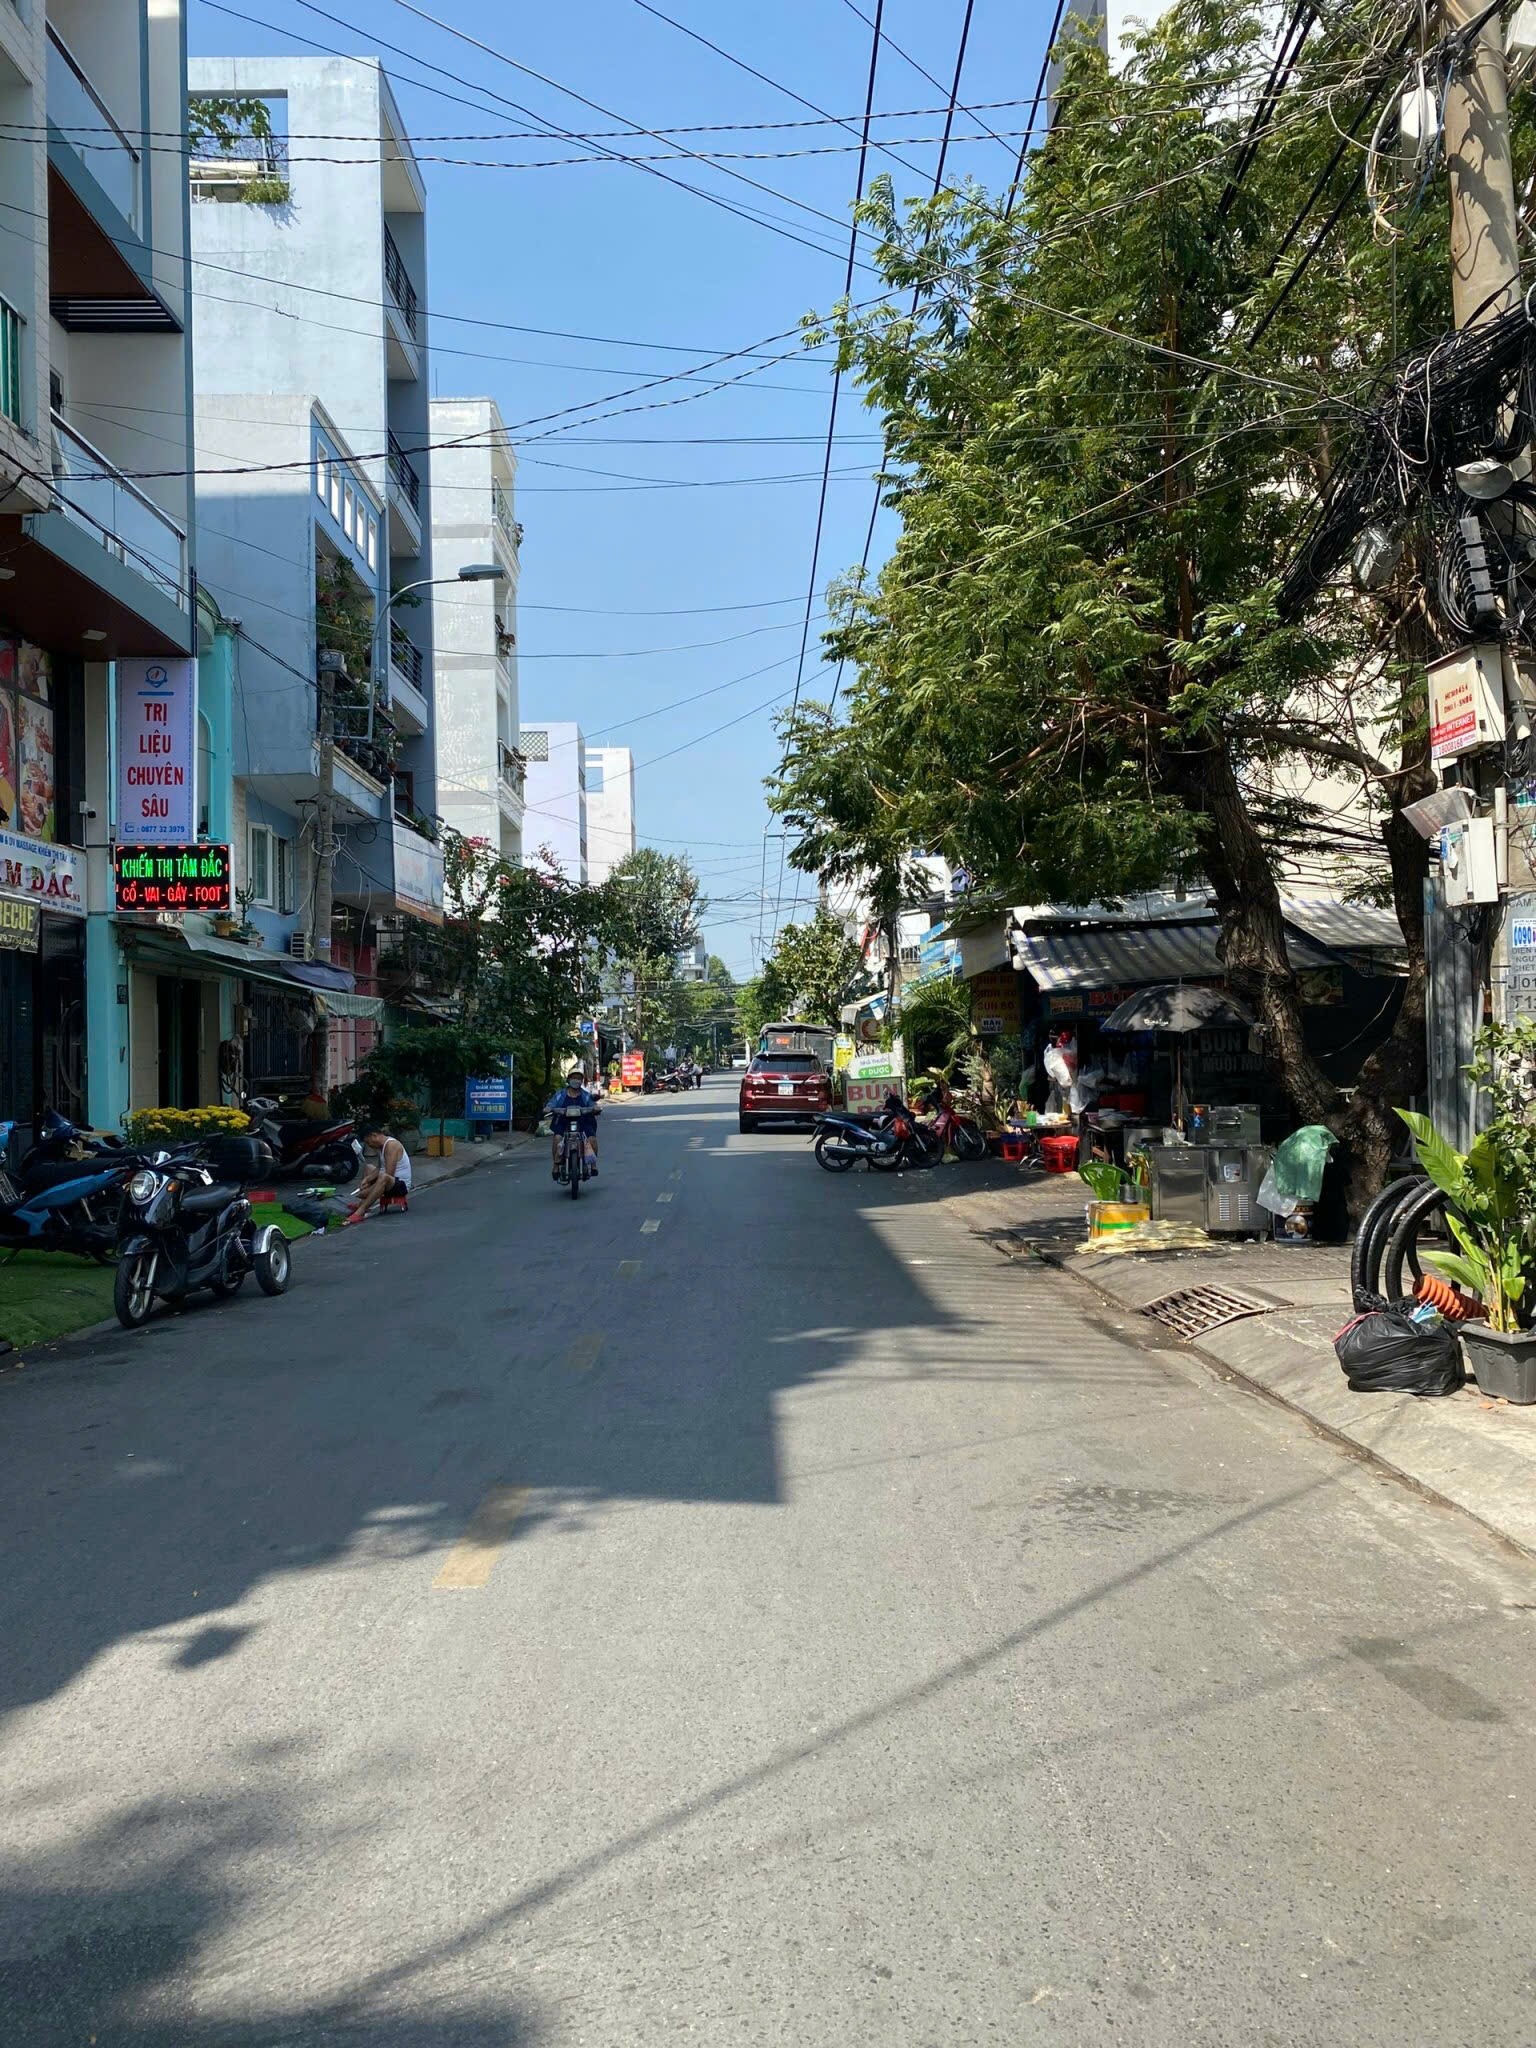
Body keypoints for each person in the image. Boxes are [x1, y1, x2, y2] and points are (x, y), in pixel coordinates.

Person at [344, 1127, 412, 1224]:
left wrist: (369, 1190)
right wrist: (367, 1180)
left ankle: (360, 1211)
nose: (369, 1145)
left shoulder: (391, 1145)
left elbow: (389, 1174)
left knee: (384, 1177)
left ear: (374, 1136)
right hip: (388, 1181)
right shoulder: (381, 1147)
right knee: (368, 1167)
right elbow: (380, 1168)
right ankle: (362, 1203)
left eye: (368, 1142)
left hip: (400, 1185)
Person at [546, 1068, 600, 1179]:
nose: (576, 1080)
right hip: (564, 1122)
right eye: (574, 1078)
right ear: (569, 1079)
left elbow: (593, 1104)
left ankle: (593, 1164)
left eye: (579, 1078)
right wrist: (548, 1108)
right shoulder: (560, 1094)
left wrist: (595, 1108)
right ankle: (556, 1166)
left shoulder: (585, 1095)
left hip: (583, 1122)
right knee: (557, 1138)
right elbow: (551, 1103)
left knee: (592, 1139)